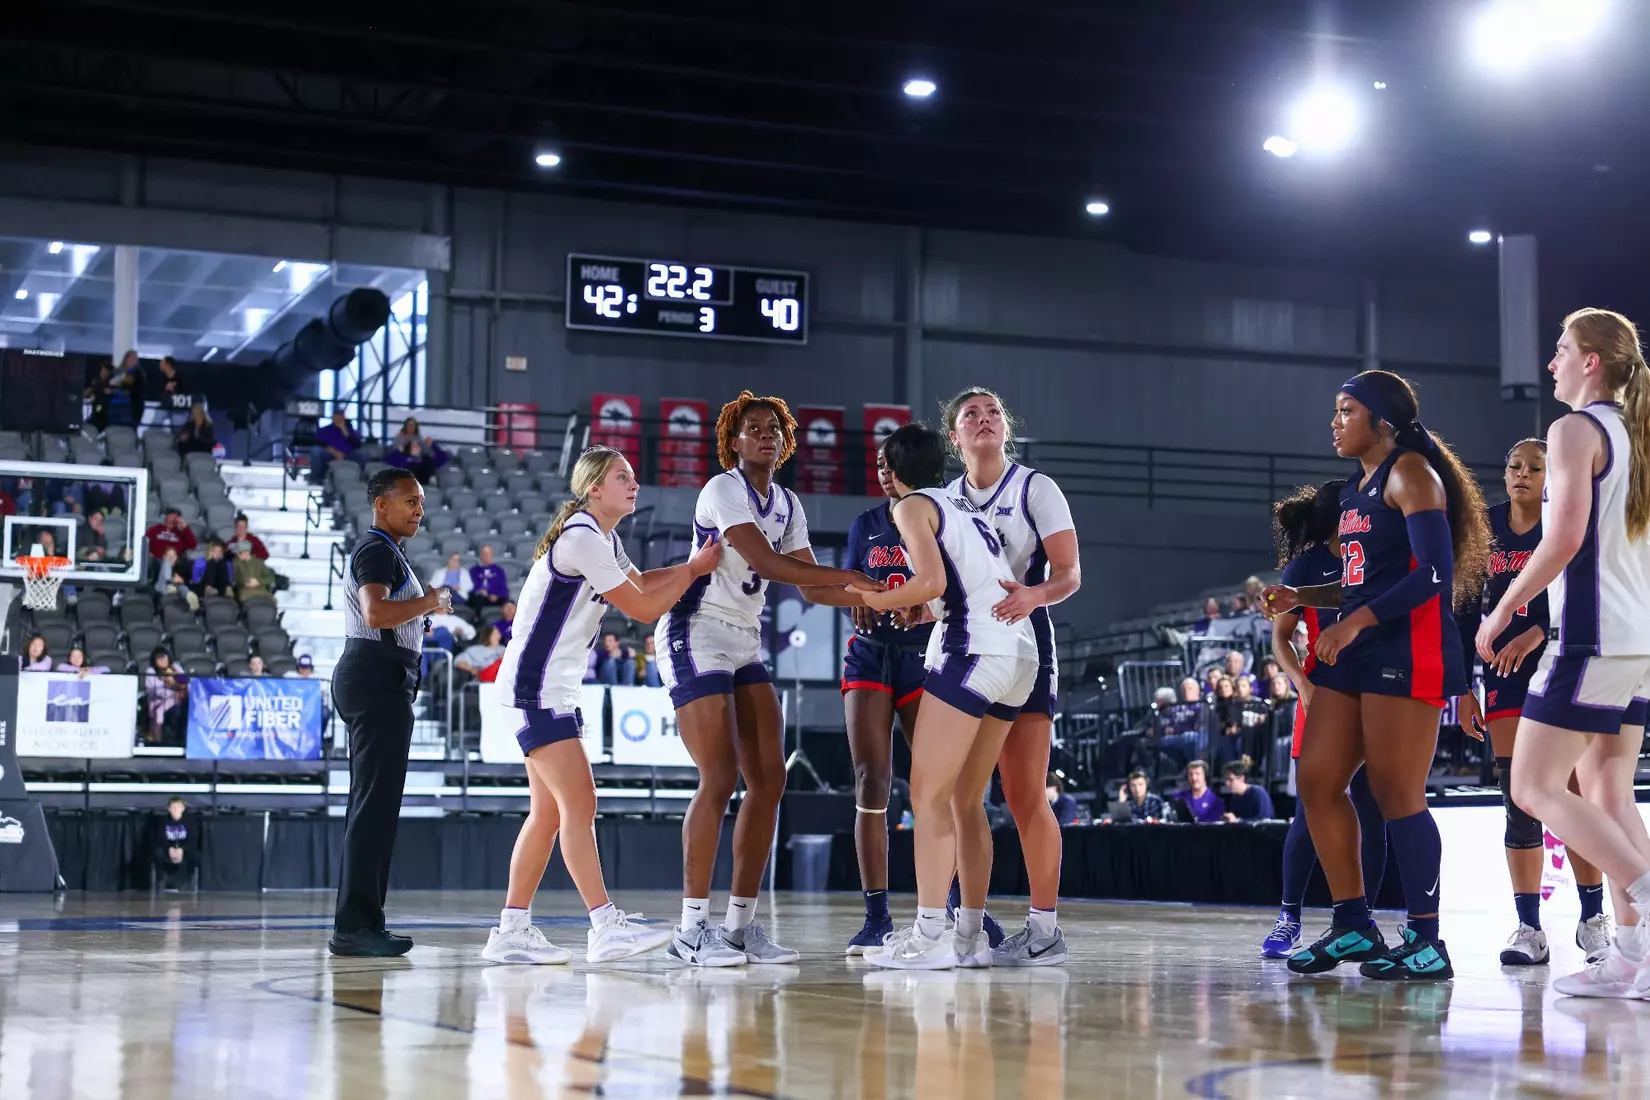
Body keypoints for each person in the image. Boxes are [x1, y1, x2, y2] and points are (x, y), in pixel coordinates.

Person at [1262, 369, 1489, 981]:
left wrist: (1354, 621)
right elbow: (1365, 579)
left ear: (1380, 421)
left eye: (1345, 411)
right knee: (1316, 782)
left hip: (1407, 648)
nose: (1334, 422)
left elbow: (1434, 575)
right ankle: (1354, 924)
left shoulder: (1412, 475)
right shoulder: (1354, 488)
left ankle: (1427, 939)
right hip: (1358, 647)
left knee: (1395, 793)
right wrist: (1302, 595)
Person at [657, 391, 880, 968]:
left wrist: (865, 595)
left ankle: (739, 928)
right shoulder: (723, 489)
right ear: (734, 440)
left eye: (774, 429)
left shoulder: (787, 502)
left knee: (768, 782)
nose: (766, 436)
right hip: (695, 628)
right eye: (753, 429)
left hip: (744, 639)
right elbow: (771, 565)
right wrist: (854, 575)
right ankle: (690, 930)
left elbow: (808, 587)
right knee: (719, 775)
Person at [481, 445, 721, 965]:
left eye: (633, 477)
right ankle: (604, 925)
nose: (634, 484)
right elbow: (640, 608)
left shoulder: (603, 537)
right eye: (622, 477)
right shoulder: (583, 537)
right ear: (594, 488)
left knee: (547, 813)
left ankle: (511, 930)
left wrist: (690, 568)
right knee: (580, 804)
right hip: (534, 687)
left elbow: (643, 583)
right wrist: (695, 569)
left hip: (550, 688)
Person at [1480, 309, 1650, 998]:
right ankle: (1634, 954)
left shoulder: (1575, 429)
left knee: (1532, 786)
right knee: (1608, 789)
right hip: (1636, 635)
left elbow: (1564, 539)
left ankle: (1645, 905)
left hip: (1591, 634)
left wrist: (1503, 606)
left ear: (1592, 362)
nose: (1550, 362)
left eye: (1560, 350)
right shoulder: (1637, 433)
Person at [861, 423, 1038, 970]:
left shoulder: (911, 506)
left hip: (974, 650)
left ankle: (930, 933)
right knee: (965, 799)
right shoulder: (966, 509)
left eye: (885, 467)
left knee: (928, 797)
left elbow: (933, 581)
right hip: (1018, 656)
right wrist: (922, 607)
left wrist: (870, 594)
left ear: (895, 470)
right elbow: (959, 586)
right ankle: (968, 937)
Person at [1456, 438, 1612, 967]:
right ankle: (1529, 929)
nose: (1522, 473)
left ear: (1553, 476)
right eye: (1514, 464)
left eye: (1535, 467)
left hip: (1561, 664)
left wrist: (1539, 631)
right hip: (1501, 675)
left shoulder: (1567, 520)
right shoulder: (1482, 528)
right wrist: (1460, 687)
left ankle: (1594, 920)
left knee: (1566, 795)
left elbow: (1590, 593)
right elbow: (1461, 610)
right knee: (1518, 800)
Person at [940, 386, 1081, 968]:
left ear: (1006, 428)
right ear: (955, 437)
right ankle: (965, 925)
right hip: (965, 651)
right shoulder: (943, 499)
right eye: (970, 414)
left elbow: (1070, 574)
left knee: (1024, 792)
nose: (983, 419)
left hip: (1024, 647)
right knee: (959, 795)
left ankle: (1044, 929)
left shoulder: (1035, 488)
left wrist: (1033, 596)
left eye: (993, 412)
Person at [1260, 479, 1389, 961]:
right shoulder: (1308, 564)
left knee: (1372, 811)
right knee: (1309, 810)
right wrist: (1304, 686)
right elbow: (1280, 640)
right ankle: (1288, 916)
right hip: (1322, 693)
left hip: (1374, 689)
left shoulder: (1375, 552)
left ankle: (1362, 921)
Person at [330, 467, 453, 957]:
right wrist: (430, 601)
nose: (419, 511)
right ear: (382, 503)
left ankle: (362, 923)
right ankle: (356, 927)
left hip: (381, 677)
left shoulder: (390, 551)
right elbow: (375, 613)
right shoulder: (376, 550)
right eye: (411, 502)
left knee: (374, 808)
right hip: (375, 678)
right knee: (373, 809)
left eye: (421, 503)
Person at [838, 443, 943, 955]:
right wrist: (855, 599)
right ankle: (876, 916)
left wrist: (927, 605)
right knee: (871, 778)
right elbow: (847, 585)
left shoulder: (942, 517)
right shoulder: (866, 523)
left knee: (934, 784)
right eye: (876, 464)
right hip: (871, 654)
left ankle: (958, 906)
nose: (882, 473)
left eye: (889, 465)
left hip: (923, 657)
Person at [150, 796, 198, 891]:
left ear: (183, 809)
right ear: (169, 809)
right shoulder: (163, 821)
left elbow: (193, 839)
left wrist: (182, 849)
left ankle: (188, 884)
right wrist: (169, 849)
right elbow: (159, 838)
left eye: (178, 807)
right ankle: (160, 882)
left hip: (184, 848)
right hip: (167, 848)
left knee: (195, 855)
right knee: (157, 853)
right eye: (173, 807)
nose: (175, 809)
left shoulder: (190, 821)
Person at [311, 410, 364, 485]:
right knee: (316, 451)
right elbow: (320, 443)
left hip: (347, 455)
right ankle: (316, 478)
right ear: (333, 418)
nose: (338, 419)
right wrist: (335, 452)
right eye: (336, 417)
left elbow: (357, 445)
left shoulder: (350, 431)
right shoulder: (325, 430)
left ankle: (360, 479)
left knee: (362, 454)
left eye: (340, 417)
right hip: (330, 454)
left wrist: (345, 431)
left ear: (343, 418)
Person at [468, 543, 509, 615]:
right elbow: (472, 585)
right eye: (484, 553)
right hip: (481, 598)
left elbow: (503, 587)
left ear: (492, 555)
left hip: (496, 598)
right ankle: (478, 620)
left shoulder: (499, 571)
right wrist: (481, 591)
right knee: (476, 598)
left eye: (488, 554)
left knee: (509, 602)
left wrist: (497, 596)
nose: (486, 556)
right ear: (480, 555)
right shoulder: (474, 570)